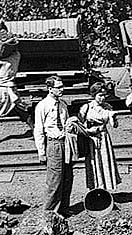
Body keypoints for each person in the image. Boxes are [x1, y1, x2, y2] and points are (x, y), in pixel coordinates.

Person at [33, 75, 75, 216]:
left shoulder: (63, 105)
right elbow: (38, 130)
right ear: (50, 89)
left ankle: (63, 209)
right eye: (59, 87)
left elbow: (66, 123)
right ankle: (50, 213)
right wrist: (41, 152)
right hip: (53, 144)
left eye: (62, 87)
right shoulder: (42, 106)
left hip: (65, 143)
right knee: (54, 180)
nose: (62, 89)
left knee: (67, 177)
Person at [0, 26, 30, 144]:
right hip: (11, 86)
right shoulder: (16, 56)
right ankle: (35, 130)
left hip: (3, 88)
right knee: (21, 110)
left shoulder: (2, 60)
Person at [78, 81, 121, 192]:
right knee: (93, 162)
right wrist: (88, 131)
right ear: (94, 95)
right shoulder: (87, 107)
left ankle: (105, 190)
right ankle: (94, 189)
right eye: (100, 95)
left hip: (104, 137)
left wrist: (113, 117)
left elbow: (114, 125)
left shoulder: (107, 107)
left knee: (105, 162)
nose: (103, 98)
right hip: (91, 139)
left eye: (104, 95)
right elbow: (79, 125)